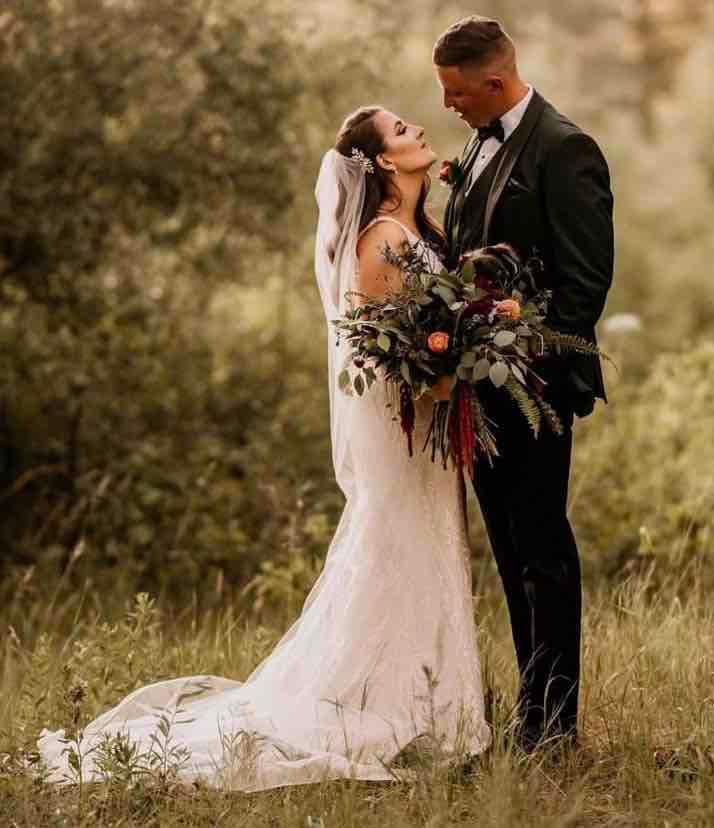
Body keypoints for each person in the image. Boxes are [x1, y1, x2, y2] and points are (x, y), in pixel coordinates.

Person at [32, 107, 491, 793]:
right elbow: (383, 352)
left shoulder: (416, 231)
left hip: (425, 438)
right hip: (404, 438)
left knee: (420, 550)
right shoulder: (378, 242)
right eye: (401, 130)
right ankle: (381, 706)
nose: (417, 131)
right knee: (396, 551)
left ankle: (420, 701)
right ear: (382, 163)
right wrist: (444, 368)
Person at [434, 15, 615, 753]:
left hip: (535, 388)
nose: (448, 104)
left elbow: (585, 283)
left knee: (544, 550)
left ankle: (558, 725)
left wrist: (519, 341)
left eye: (455, 91)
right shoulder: (477, 142)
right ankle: (529, 714)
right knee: (509, 552)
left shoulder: (565, 148)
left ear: (495, 81)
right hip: (480, 390)